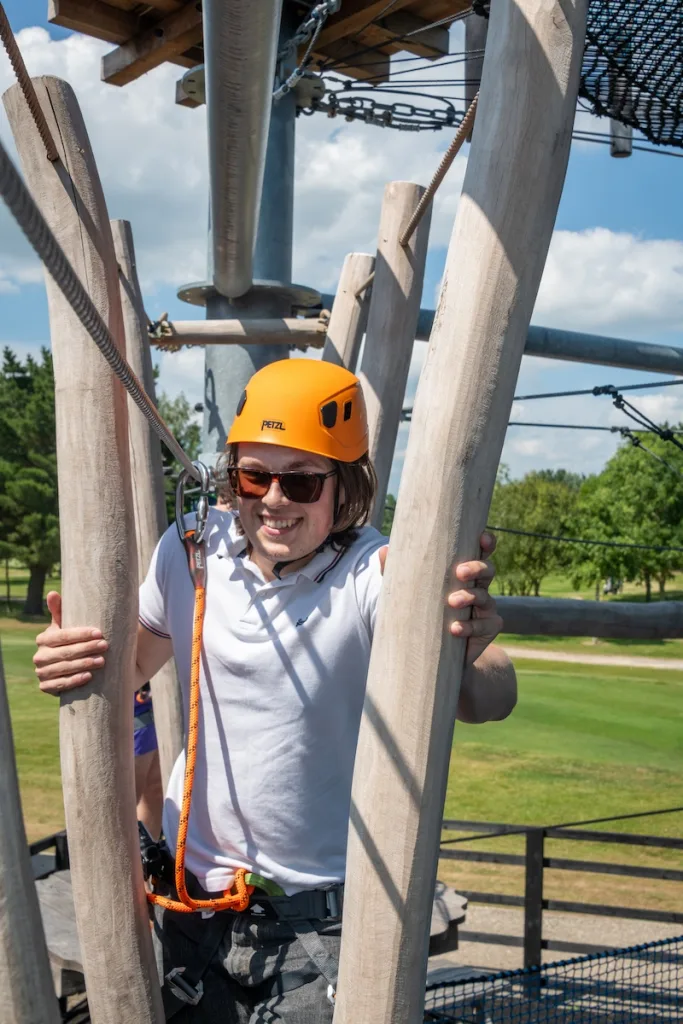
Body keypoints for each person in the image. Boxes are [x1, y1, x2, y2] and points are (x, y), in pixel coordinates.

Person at [33, 359, 516, 1023]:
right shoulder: (190, 550)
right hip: (194, 912)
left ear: (344, 486)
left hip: (320, 930)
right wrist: (70, 657)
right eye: (254, 475)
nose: (274, 499)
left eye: (301, 480)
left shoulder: (378, 574)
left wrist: (472, 648)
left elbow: (490, 698)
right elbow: (130, 669)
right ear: (231, 475)